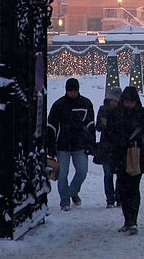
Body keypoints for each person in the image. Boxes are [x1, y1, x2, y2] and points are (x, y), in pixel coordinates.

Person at [103, 86, 144, 235]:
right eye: (126, 102)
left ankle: (133, 220)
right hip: (120, 156)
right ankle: (128, 220)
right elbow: (109, 133)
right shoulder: (115, 114)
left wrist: (140, 138)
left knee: (133, 188)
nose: (129, 105)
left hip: (136, 155)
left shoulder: (142, 113)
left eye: (131, 102)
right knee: (123, 190)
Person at [46, 77, 95, 211]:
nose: (72, 93)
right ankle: (65, 200)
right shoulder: (59, 105)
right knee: (62, 174)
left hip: (79, 145)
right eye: (70, 90)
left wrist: (91, 143)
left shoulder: (85, 103)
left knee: (82, 171)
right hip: (63, 145)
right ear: (67, 90)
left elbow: (90, 125)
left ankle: (71, 193)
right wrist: (51, 146)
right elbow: (51, 127)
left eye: (74, 90)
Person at [96, 86, 123, 208]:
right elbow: (98, 127)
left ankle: (118, 197)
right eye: (113, 100)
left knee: (119, 174)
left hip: (117, 147)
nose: (114, 103)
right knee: (108, 174)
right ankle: (110, 199)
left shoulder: (122, 111)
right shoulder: (103, 110)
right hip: (107, 147)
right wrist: (103, 124)